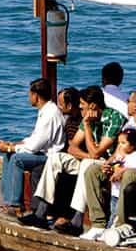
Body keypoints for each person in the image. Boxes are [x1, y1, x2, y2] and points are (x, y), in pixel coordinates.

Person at [25, 85, 123, 228]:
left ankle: (77, 221)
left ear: (93, 106)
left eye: (82, 104)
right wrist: (89, 154)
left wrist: (88, 127)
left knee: (86, 164)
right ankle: (41, 213)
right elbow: (72, 147)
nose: (79, 107)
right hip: (91, 158)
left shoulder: (114, 118)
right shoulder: (86, 117)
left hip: (109, 163)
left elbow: (98, 153)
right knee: (55, 158)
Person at [74, 90, 136, 233]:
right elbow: (119, 151)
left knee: (129, 175)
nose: (126, 104)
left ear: (135, 106)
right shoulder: (129, 125)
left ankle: (120, 224)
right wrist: (110, 164)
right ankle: (98, 224)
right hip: (123, 165)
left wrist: (124, 169)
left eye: (128, 102)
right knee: (93, 171)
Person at [0, 77, 66, 216]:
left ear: (36, 96)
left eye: (29, 94)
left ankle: (15, 205)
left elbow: (35, 147)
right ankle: (7, 200)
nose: (29, 97)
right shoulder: (45, 111)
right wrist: (14, 145)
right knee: (9, 154)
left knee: (16, 159)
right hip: (41, 152)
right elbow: (34, 138)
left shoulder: (50, 114)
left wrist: (10, 148)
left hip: (49, 157)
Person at [81, 130, 136, 240]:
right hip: (115, 193)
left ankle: (118, 227)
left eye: (123, 143)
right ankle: (98, 225)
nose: (120, 146)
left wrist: (120, 171)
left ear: (133, 145)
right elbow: (113, 165)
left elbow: (133, 168)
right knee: (92, 170)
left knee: (115, 218)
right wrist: (108, 167)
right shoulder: (119, 156)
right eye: (118, 143)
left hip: (125, 192)